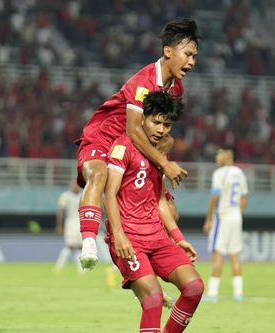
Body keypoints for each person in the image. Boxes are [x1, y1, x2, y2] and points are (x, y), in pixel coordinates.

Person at [76, 18, 200, 270]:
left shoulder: (175, 90)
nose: (191, 62)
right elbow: (133, 129)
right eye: (187, 54)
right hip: (104, 138)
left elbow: (159, 132)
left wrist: (167, 146)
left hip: (133, 151)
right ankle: (89, 242)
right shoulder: (144, 81)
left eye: (195, 57)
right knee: (98, 176)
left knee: (169, 210)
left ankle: (146, 257)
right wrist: (165, 163)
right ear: (168, 51)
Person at [104, 90, 204, 333]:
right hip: (129, 238)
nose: (160, 129)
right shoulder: (122, 146)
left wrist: (178, 238)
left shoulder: (161, 154)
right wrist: (119, 235)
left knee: (194, 288)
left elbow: (159, 201)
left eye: (167, 124)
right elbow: (109, 193)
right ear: (142, 119)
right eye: (155, 121)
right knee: (153, 299)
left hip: (157, 237)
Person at [202, 147, 248, 303]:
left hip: (222, 216)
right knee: (234, 255)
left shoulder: (220, 173)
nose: (216, 157)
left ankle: (213, 294)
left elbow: (215, 196)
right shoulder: (240, 173)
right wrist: (238, 214)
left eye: (219, 154)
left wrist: (209, 218)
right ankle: (238, 294)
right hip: (236, 215)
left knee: (218, 253)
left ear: (227, 156)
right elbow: (244, 197)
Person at [54, 179, 83, 272]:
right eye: (73, 185)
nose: (75, 187)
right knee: (69, 246)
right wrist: (59, 225)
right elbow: (61, 211)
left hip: (81, 223)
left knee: (80, 246)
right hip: (70, 223)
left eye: (77, 185)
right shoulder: (65, 196)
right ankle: (59, 266)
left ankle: (81, 269)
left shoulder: (84, 195)